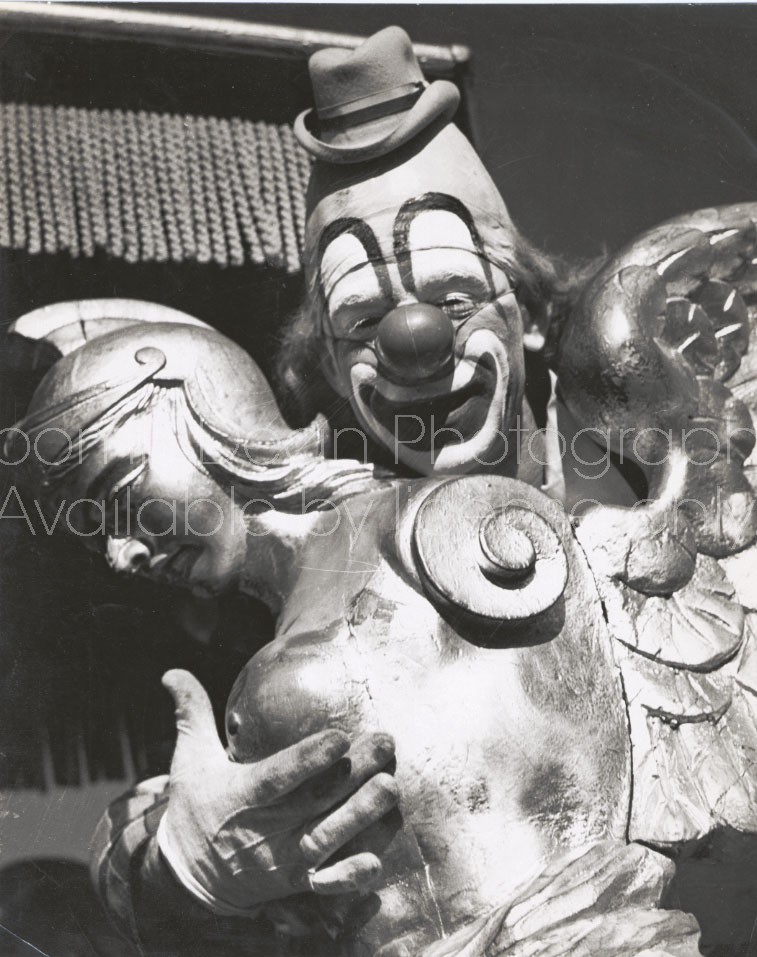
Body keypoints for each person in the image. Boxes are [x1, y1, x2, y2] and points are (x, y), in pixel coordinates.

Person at [10, 317, 706, 957]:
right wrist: (175, 871)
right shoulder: (328, 589)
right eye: (94, 528)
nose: (120, 553)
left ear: (194, 413)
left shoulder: (438, 528)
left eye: (117, 492)